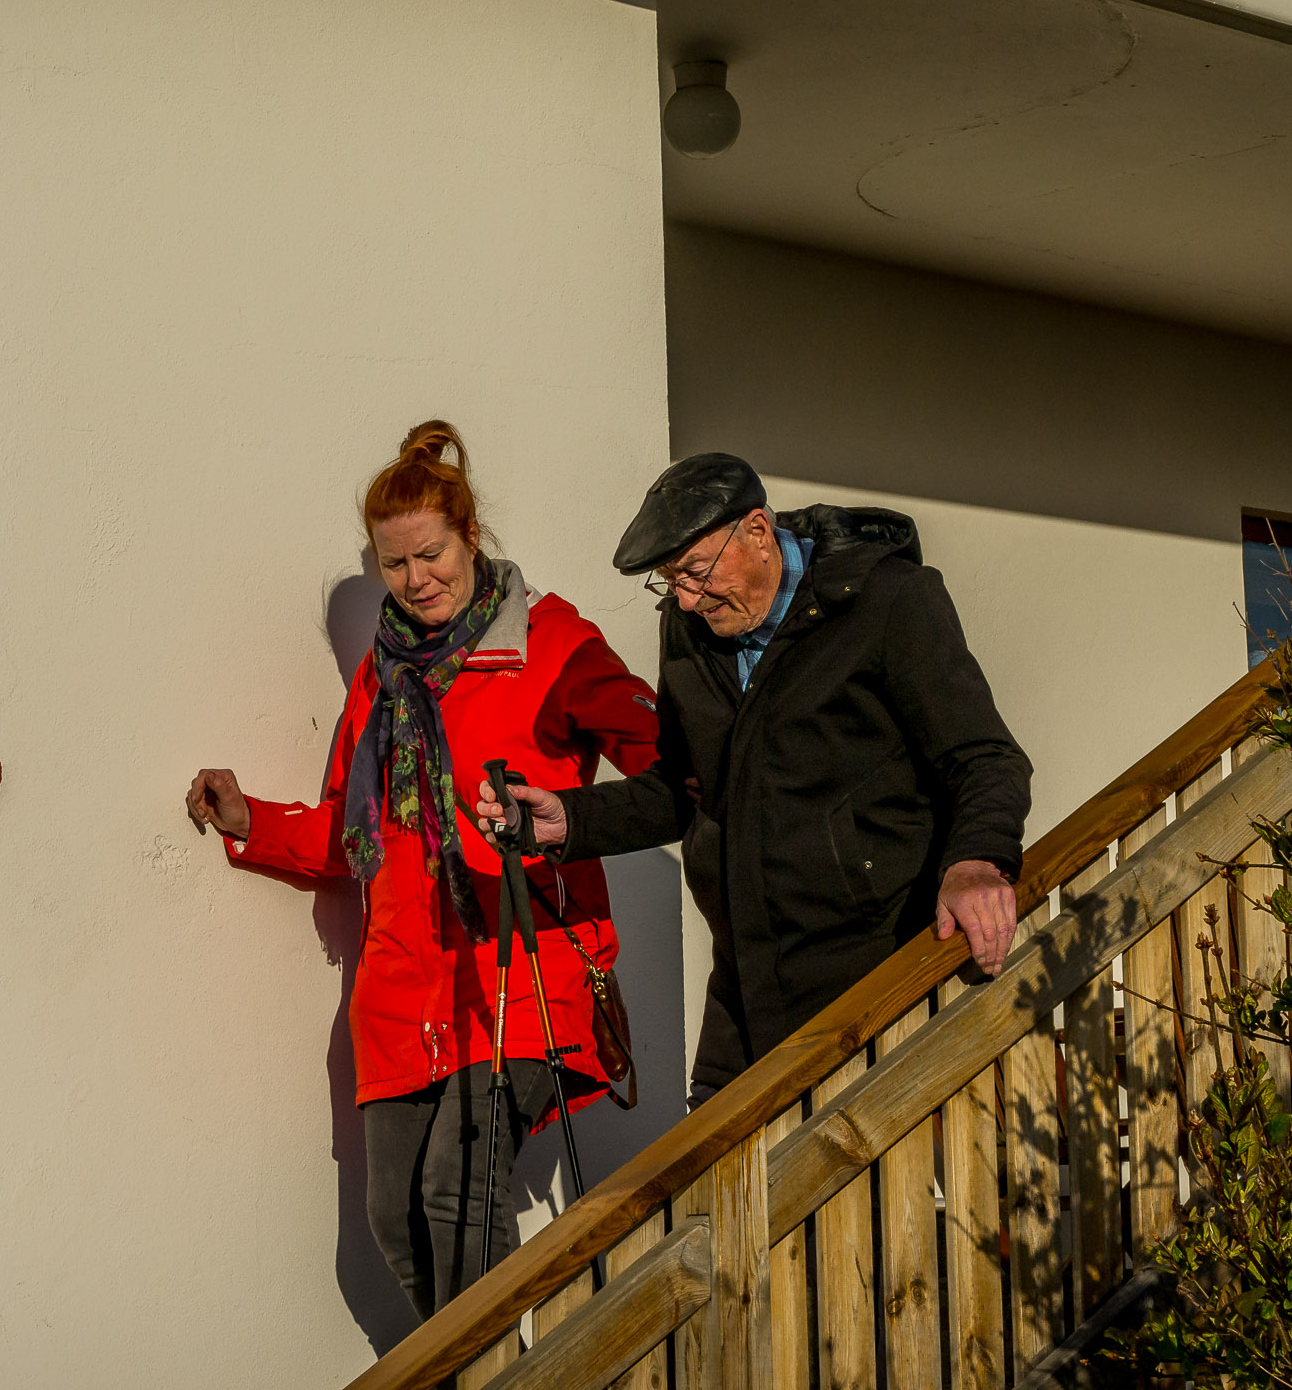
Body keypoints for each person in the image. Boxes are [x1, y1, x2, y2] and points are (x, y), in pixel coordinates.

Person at [184, 422, 658, 1320]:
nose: (415, 579)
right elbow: (354, 834)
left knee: (457, 1191)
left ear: (471, 537)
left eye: (431, 554)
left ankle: (484, 1375)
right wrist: (253, 823)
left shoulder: (552, 642)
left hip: (518, 973)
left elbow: (668, 772)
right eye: (394, 564)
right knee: (392, 1220)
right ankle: (478, 1371)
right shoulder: (383, 676)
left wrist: (566, 820)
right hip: (404, 987)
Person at [480, 454, 1030, 1108]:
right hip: (745, 992)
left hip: (877, 978)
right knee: (721, 1164)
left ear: (759, 533)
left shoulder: (888, 601)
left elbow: (983, 758)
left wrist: (976, 862)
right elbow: (686, 788)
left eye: (695, 571)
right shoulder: (688, 628)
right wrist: (569, 821)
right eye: (670, 581)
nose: (686, 598)